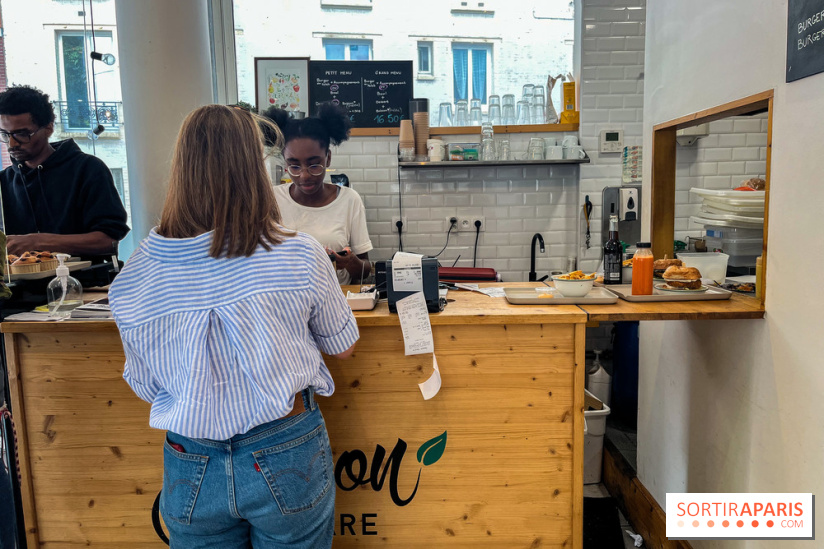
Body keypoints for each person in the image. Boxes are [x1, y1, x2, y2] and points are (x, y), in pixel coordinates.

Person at [108, 105, 359, 548]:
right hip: (285, 444)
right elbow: (342, 346)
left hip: (190, 456)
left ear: (180, 168)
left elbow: (147, 385)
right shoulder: (298, 254)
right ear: (255, 169)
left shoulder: (138, 271)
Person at [0, 85, 130, 258]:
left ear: (49, 127)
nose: (12, 144)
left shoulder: (88, 169)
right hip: (19, 285)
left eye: (22, 134)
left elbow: (108, 241)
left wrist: (36, 242)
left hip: (86, 283)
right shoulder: (4, 182)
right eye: (4, 134)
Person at [263, 103, 373, 285]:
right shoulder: (272, 199)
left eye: (314, 164)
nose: (304, 175)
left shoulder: (349, 200)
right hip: (286, 308)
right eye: (294, 165)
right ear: (285, 162)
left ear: (328, 158)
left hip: (335, 305)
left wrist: (350, 262)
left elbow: (364, 271)